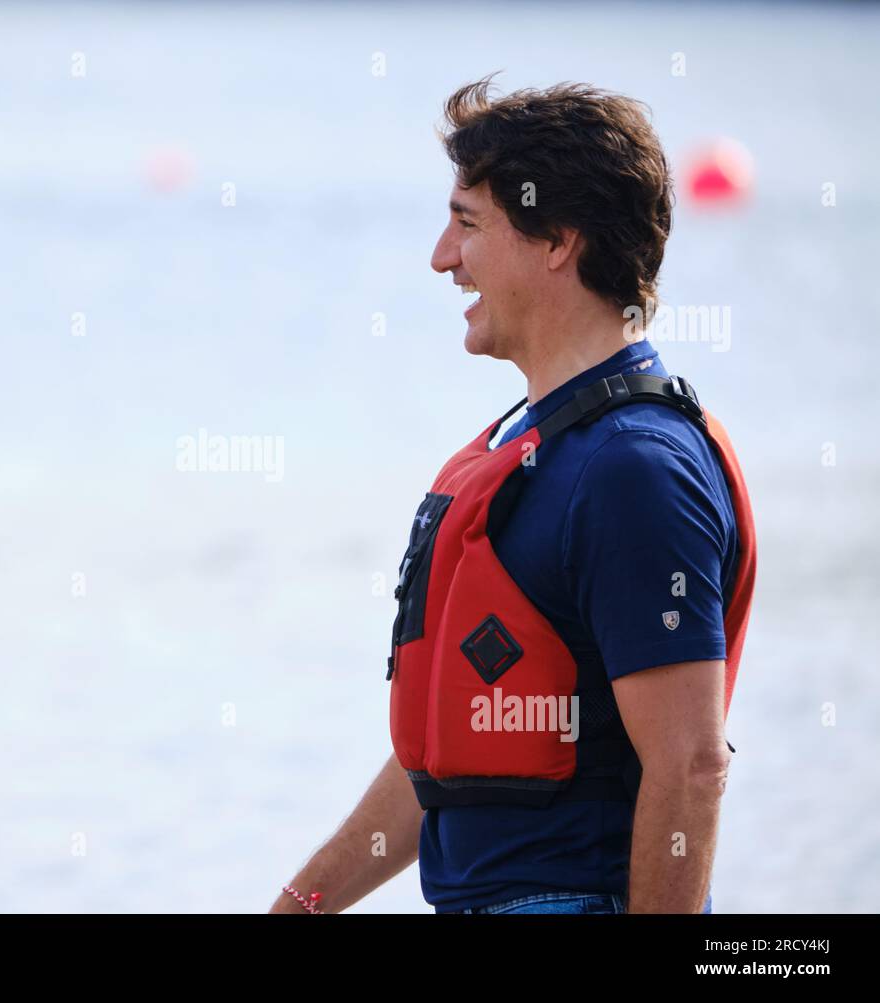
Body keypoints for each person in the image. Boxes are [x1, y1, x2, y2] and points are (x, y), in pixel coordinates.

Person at [270, 77, 756, 915]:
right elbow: (446, 768)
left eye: (467, 224)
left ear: (557, 240)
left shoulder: (635, 469)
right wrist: (301, 904)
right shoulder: (528, 445)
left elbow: (690, 766)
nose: (441, 257)